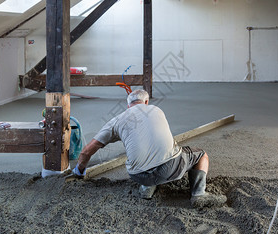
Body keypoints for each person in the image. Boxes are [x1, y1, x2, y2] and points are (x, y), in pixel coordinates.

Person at [72, 89, 226, 208]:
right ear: (146, 102)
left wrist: (79, 171)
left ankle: (147, 188)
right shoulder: (156, 110)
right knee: (200, 155)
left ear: (128, 106)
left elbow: (87, 151)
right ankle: (199, 194)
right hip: (170, 168)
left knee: (143, 154)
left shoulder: (116, 121)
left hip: (138, 175)